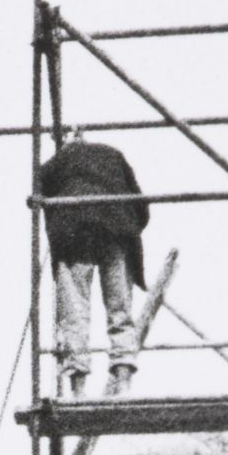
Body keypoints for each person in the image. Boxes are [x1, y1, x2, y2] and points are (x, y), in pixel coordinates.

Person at [37, 132, 149, 393]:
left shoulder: (60, 158)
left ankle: (78, 390)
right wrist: (128, 227)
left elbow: (38, 186)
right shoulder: (113, 153)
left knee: (74, 311)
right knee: (120, 308)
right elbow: (141, 204)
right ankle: (122, 382)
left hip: (72, 232)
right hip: (116, 229)